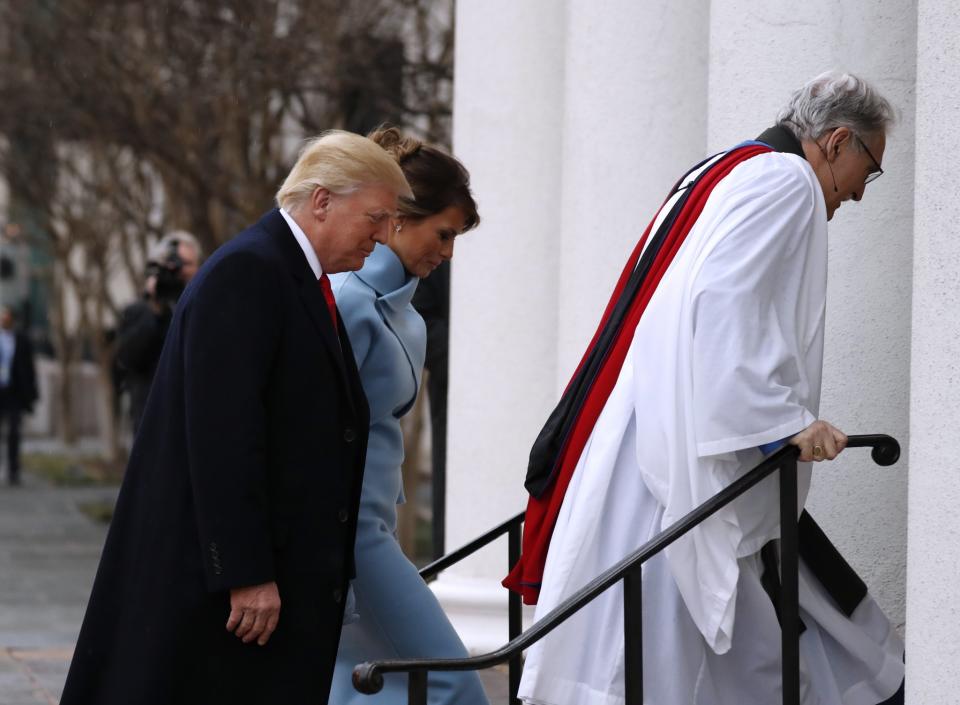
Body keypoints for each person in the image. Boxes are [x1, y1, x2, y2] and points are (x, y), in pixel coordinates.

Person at [505, 72, 905, 705]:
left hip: (653, 430)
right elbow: (722, 305)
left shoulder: (727, 167)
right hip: (680, 457)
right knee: (676, 651)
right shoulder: (785, 182)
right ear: (835, 143)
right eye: (870, 169)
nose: (859, 193)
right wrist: (781, 423)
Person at [60, 130, 412, 705]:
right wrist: (245, 572)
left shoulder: (292, 273)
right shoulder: (249, 272)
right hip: (227, 596)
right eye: (374, 217)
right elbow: (223, 436)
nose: (380, 236)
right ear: (321, 201)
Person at [327, 126, 487, 705]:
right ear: (397, 219)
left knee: (357, 687)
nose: (446, 254)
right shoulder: (347, 300)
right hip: (349, 539)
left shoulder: (404, 314)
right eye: (442, 234)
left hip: (374, 530)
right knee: (448, 684)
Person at [115, 231, 202, 432]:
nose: (178, 271)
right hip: (150, 416)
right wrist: (155, 310)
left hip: (193, 414)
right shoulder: (140, 310)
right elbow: (127, 357)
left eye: (186, 264)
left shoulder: (204, 307)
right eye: (172, 264)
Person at [0, 306, 37, 486]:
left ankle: (13, 470)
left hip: (13, 392)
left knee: (14, 431)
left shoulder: (22, 340)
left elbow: (29, 368)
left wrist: (32, 395)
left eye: (6, 316)